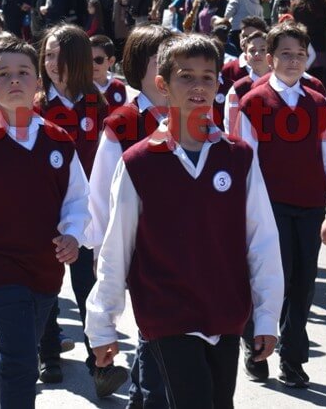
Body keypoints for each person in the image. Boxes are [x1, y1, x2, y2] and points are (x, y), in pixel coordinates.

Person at [86, 34, 284, 409]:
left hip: (224, 311)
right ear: (163, 84)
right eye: (186, 76)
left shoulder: (238, 156)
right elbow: (117, 248)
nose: (198, 86)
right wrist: (102, 322)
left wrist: (266, 315)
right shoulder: (139, 162)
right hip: (167, 314)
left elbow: (262, 240)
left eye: (208, 77)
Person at [0, 38, 89, 408]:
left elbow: (78, 201)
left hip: (45, 271)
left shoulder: (58, 140)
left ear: (38, 82)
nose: (14, 80)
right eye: (3, 74)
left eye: (23, 72)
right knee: (23, 361)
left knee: (15, 358)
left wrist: (73, 235)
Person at [236, 23, 326, 388]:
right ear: (270, 58)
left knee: (303, 283)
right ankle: (255, 345)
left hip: (310, 204)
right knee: (270, 279)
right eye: (285, 54)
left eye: (299, 55)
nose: (293, 61)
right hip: (270, 206)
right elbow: (247, 160)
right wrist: (249, 210)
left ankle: (293, 358)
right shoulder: (253, 101)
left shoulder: (319, 102)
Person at [33, 24, 128, 396]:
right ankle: (48, 354)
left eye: (61, 55)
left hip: (88, 212)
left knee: (89, 286)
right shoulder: (37, 104)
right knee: (46, 285)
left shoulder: (99, 103)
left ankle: (99, 363)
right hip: (44, 211)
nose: (53, 63)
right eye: (48, 55)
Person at [87, 23, 174, 408]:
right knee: (153, 334)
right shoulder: (122, 123)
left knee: (162, 339)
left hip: (184, 248)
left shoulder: (197, 116)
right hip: (138, 247)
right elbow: (100, 196)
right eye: (161, 58)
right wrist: (103, 253)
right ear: (140, 65)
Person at [90, 34, 128, 109]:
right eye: (88, 59)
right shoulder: (81, 88)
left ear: (111, 61)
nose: (93, 64)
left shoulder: (119, 87)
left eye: (98, 60)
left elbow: (126, 113)